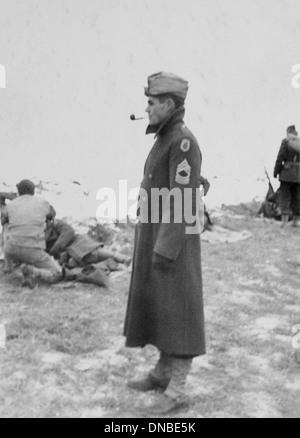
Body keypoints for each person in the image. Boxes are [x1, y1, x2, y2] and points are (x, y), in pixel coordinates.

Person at [124, 72, 206, 415]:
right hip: (156, 236)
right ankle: (161, 371)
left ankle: (179, 387)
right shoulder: (166, 137)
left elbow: (184, 200)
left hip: (173, 243)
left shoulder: (182, 141)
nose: (147, 108)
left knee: (179, 312)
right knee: (161, 308)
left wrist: (165, 247)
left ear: (169, 105)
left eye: (152, 102)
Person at [1, 179, 62, 288]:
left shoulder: (10, 205)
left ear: (18, 191)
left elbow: (3, 220)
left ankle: (9, 267)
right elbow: (52, 215)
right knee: (57, 273)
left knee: (6, 225)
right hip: (33, 249)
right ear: (33, 191)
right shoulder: (43, 203)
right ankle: (32, 271)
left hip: (11, 249)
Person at [45, 219, 131, 269]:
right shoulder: (38, 234)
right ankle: (118, 264)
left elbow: (68, 233)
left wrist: (53, 250)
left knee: (96, 253)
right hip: (68, 257)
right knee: (90, 266)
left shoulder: (57, 224)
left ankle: (124, 259)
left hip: (78, 244)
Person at [273, 125, 300, 228]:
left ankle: (284, 222)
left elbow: (280, 158)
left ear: (288, 132)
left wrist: (276, 172)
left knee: (285, 197)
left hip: (287, 174)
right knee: (297, 197)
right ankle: (296, 221)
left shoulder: (286, 141)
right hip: (298, 175)